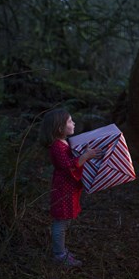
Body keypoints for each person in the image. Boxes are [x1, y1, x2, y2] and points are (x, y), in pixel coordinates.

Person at [39, 108, 102, 267]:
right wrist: (85, 156)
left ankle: (61, 250)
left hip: (69, 188)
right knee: (61, 222)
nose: (73, 123)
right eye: (69, 121)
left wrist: (85, 153)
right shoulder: (57, 146)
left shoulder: (64, 142)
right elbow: (67, 166)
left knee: (65, 220)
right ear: (60, 127)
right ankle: (59, 255)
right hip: (62, 189)